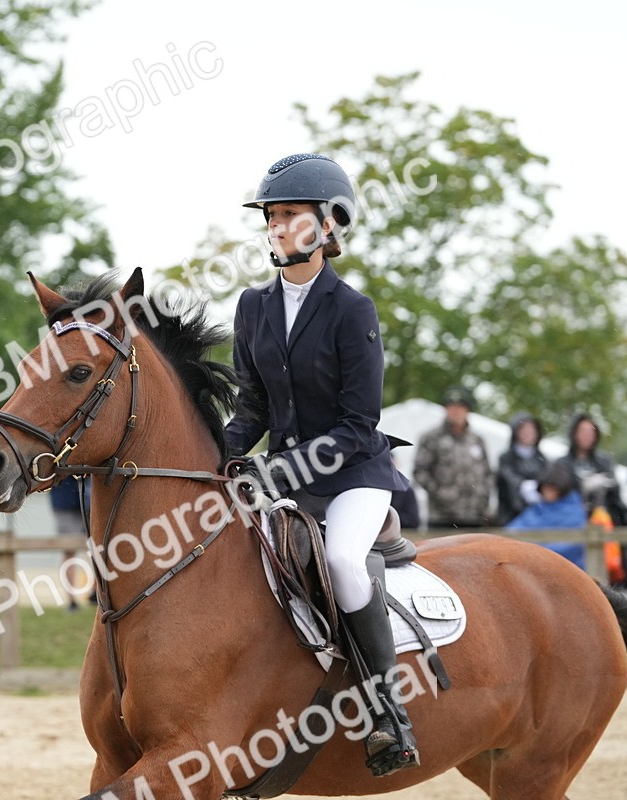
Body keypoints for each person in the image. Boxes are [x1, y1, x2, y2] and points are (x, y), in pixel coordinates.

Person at [223, 153, 418, 777]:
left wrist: (279, 472)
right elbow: (252, 408)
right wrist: (220, 454)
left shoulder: (351, 310)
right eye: (271, 218)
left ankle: (389, 712)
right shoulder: (252, 308)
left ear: (328, 226)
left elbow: (359, 424)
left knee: (339, 560)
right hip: (285, 477)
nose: (276, 228)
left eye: (289, 216)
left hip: (354, 477)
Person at [412, 387, 493, 529]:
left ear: (468, 410)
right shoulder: (431, 438)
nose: (456, 411)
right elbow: (420, 472)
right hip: (442, 517)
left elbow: (487, 473)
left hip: (474, 515)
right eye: (451, 406)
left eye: (460, 407)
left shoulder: (477, 440)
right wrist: (440, 494)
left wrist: (482, 496)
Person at [554, 413, 627, 527]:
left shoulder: (604, 461)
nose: (588, 436)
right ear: (574, 433)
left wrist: (603, 486)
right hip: (572, 520)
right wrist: (582, 486)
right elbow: (558, 492)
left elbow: (615, 492)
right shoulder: (562, 463)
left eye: (591, 432)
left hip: (604, 518)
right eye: (584, 431)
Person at [505, 463, 587, 569]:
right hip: (533, 564)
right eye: (545, 489)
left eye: (551, 489)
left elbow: (571, 545)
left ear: (561, 490)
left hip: (566, 568)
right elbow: (513, 530)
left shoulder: (573, 511)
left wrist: (534, 551)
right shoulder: (538, 508)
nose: (547, 493)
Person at [49, 477, 93, 610]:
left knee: (97, 550)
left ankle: (96, 593)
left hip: (91, 499)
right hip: (66, 501)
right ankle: (72, 599)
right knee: (70, 552)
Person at [496, 413, 548, 525]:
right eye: (524, 429)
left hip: (538, 517)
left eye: (532, 430)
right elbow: (508, 480)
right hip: (511, 516)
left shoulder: (542, 460)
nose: (528, 433)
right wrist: (522, 487)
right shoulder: (506, 459)